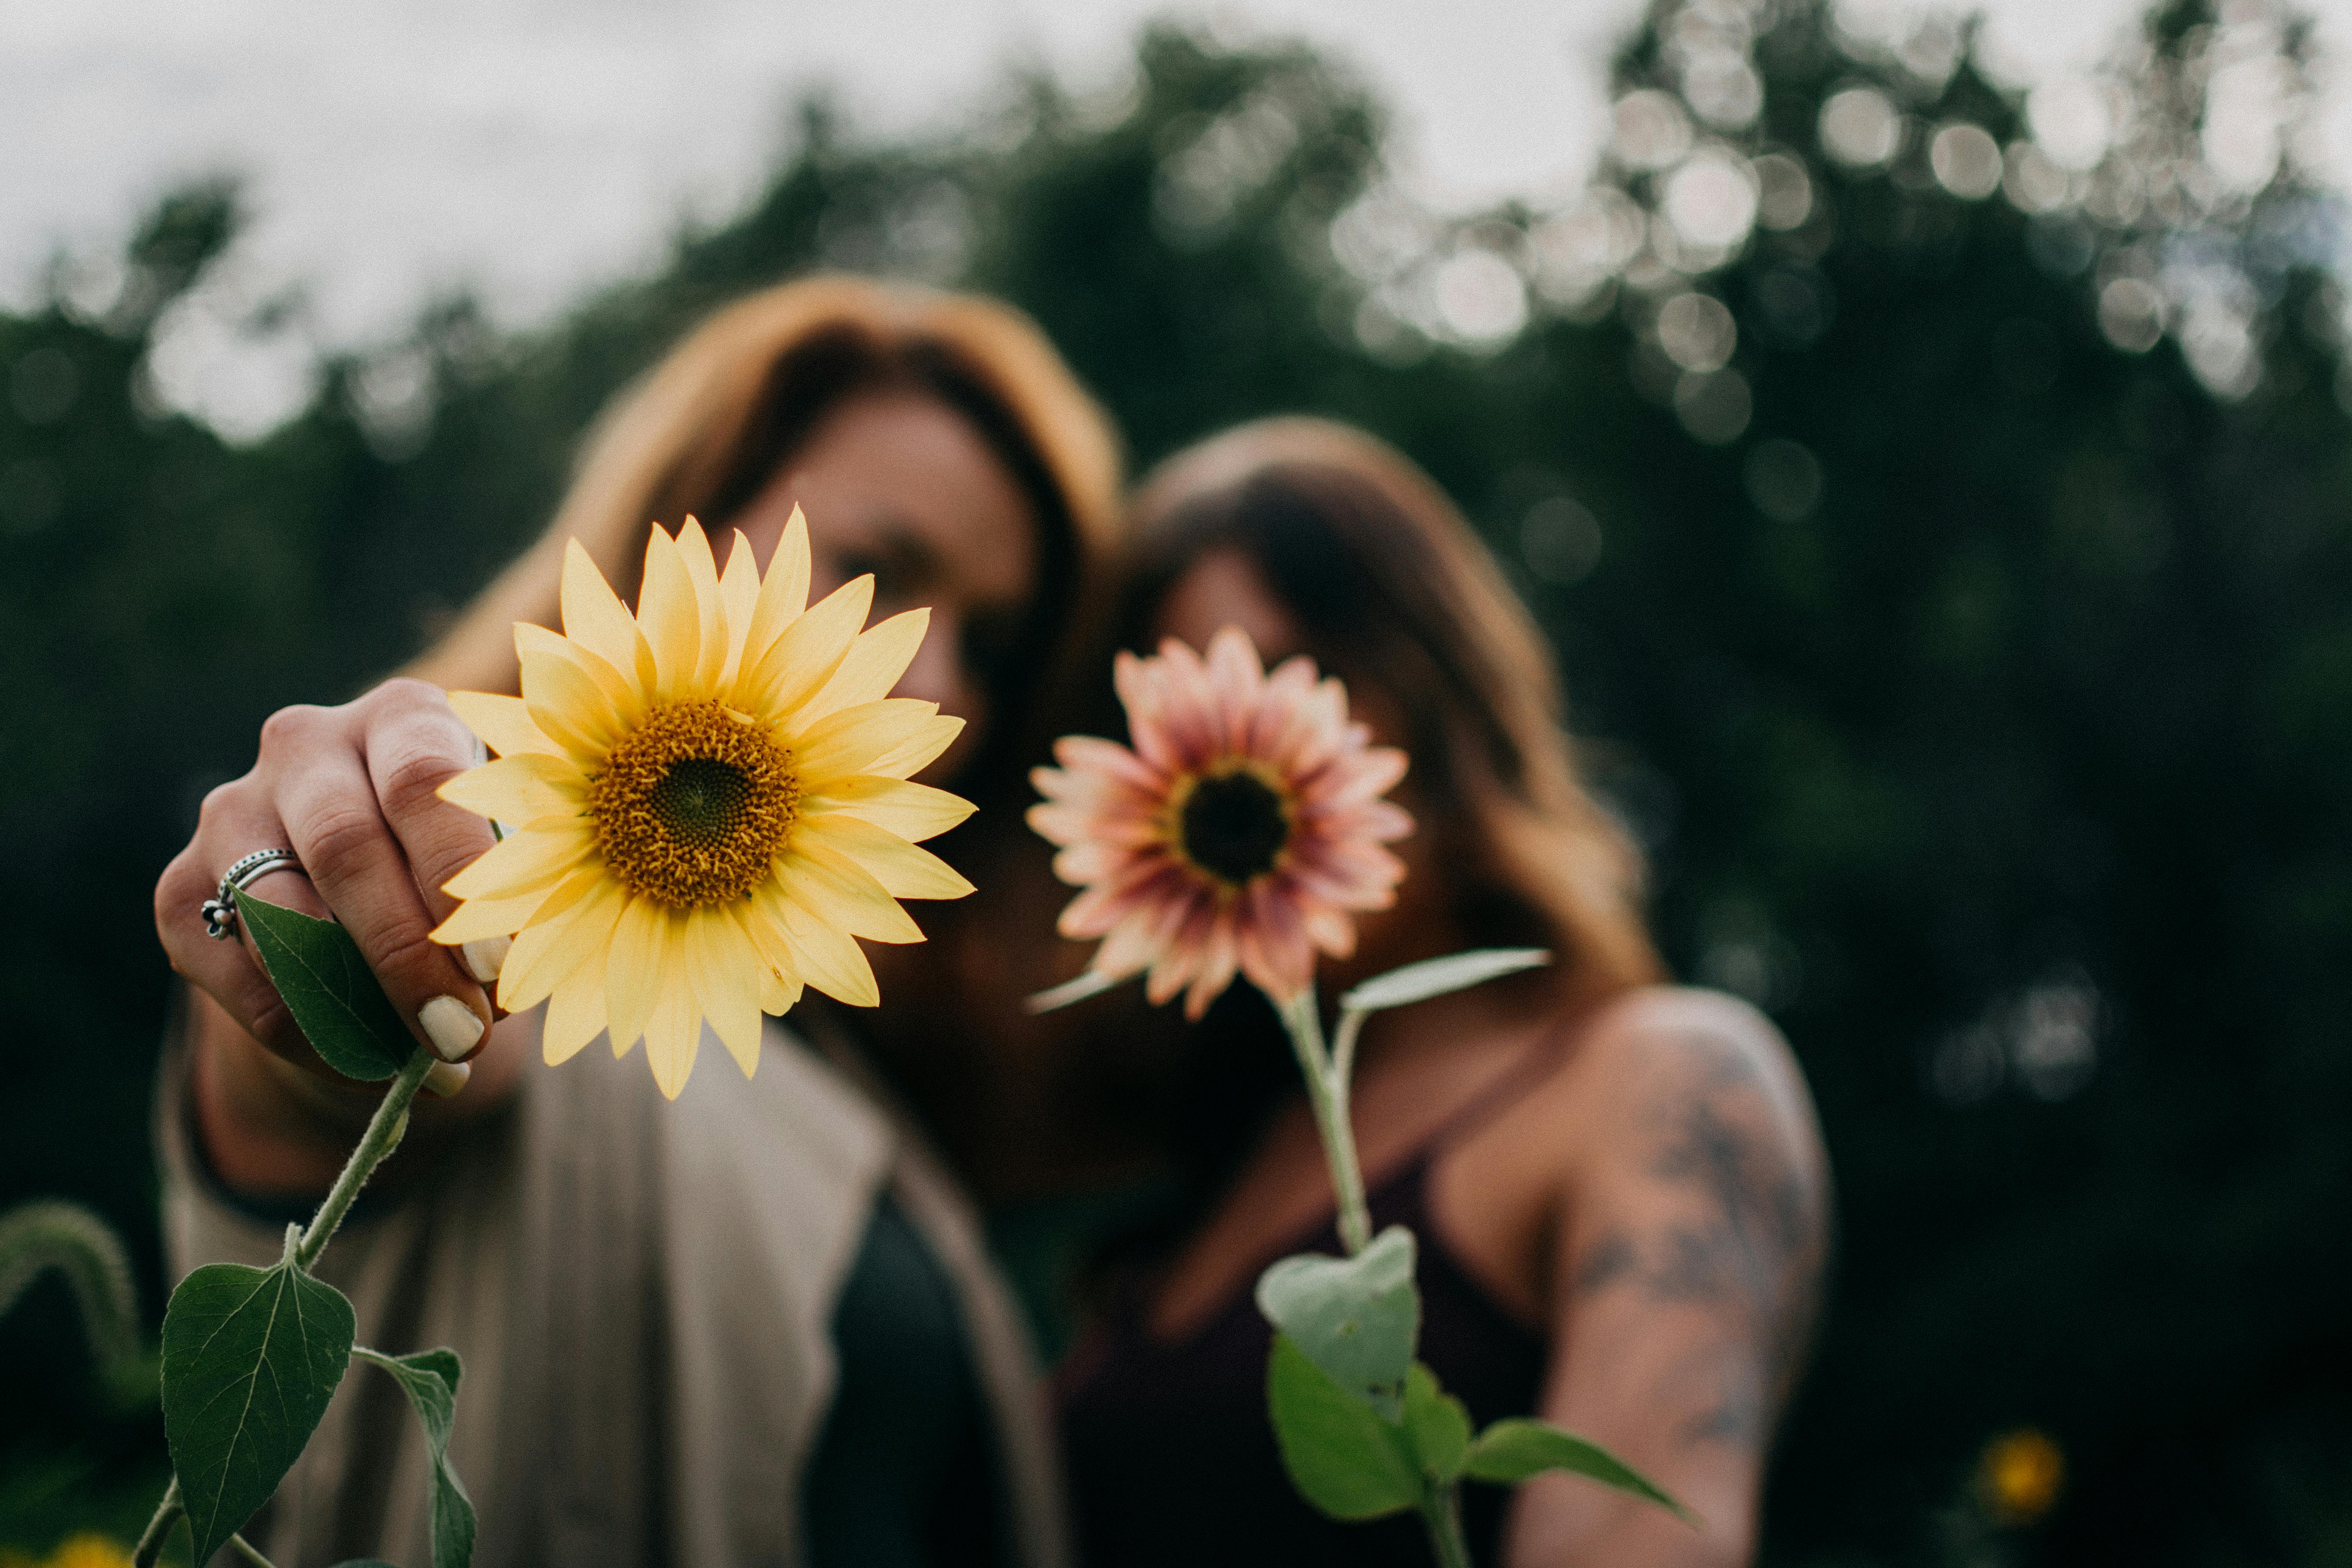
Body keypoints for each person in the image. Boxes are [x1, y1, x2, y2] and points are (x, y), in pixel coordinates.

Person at [151, 275, 1122, 1568]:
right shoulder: (509, 930)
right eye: (874, 570)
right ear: (682, 525)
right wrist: (313, 909)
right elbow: (390, 1058)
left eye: (992, 650)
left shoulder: (848, 1070)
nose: (933, 679)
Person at [1053, 418, 1831, 1567]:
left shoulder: (1654, 1086)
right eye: (1158, 730)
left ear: (1437, 691)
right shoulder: (1208, 1173)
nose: (1231, 760)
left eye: (1290, 682)